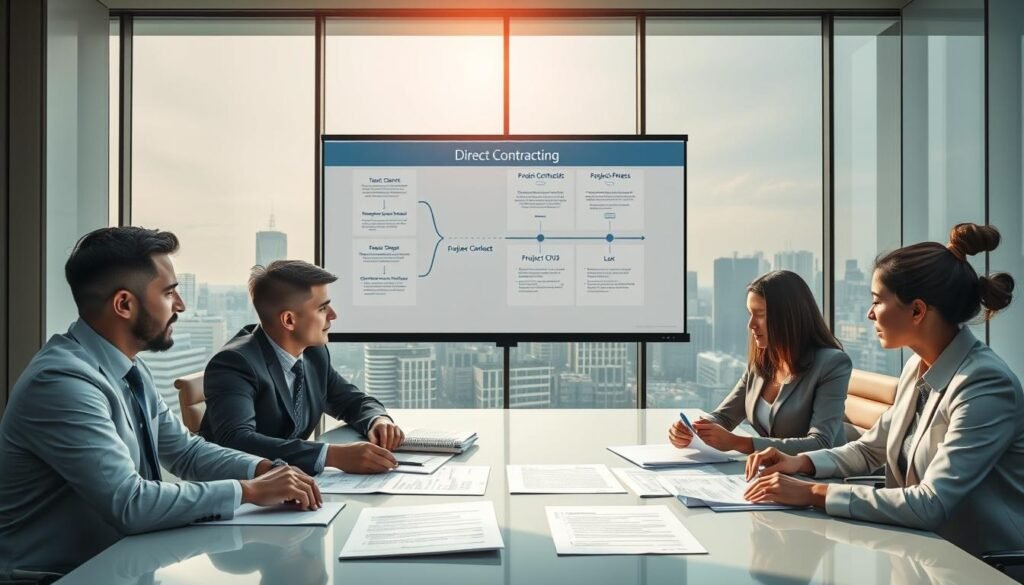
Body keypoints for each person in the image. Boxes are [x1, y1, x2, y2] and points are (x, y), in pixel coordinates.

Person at [0, 227, 322, 579]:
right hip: (65, 576)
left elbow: (185, 452)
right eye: (169, 293)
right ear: (124, 304)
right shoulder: (62, 383)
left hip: (122, 565)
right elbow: (131, 503)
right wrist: (249, 491)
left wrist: (263, 469)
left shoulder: (128, 368)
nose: (180, 305)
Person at [744, 223, 1023, 559]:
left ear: (917, 310)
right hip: (919, 553)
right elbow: (869, 450)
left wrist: (811, 493)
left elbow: (931, 503)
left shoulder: (984, 385)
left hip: (980, 567)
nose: (870, 313)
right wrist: (800, 462)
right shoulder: (917, 369)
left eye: (878, 300)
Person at [201, 260, 403, 476]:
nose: (333, 315)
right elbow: (237, 441)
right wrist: (333, 456)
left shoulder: (313, 353)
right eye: (323, 308)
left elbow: (350, 401)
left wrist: (377, 420)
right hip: (240, 492)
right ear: (289, 320)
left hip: (289, 483)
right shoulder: (234, 363)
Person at [669, 270, 852, 454]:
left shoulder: (832, 364)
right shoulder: (761, 364)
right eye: (750, 313)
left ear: (789, 316)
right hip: (773, 474)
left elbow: (821, 443)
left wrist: (739, 443)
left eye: (760, 314)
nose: (751, 324)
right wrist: (691, 429)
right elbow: (724, 417)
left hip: (819, 478)